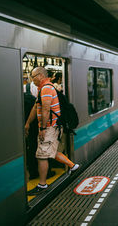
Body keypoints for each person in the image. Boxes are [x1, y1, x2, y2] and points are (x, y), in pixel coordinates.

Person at [25, 67, 79, 195]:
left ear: (40, 76)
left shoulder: (46, 89)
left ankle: (42, 185)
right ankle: (73, 166)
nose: (32, 80)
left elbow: (46, 109)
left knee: (42, 156)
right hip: (51, 126)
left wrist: (43, 128)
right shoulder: (43, 89)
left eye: (33, 77)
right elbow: (36, 107)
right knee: (51, 151)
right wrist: (28, 123)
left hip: (49, 127)